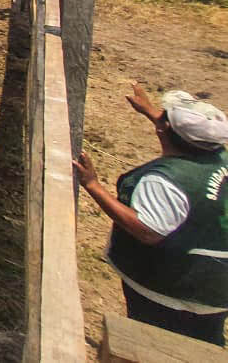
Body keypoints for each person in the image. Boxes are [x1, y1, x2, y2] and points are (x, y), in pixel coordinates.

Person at [74, 84, 228, 345]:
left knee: (154, 346)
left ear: (165, 130)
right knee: (206, 344)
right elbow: (184, 135)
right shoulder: (218, 158)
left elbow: (146, 231)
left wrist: (93, 186)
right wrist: (151, 112)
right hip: (217, 289)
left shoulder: (166, 181)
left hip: (170, 290)